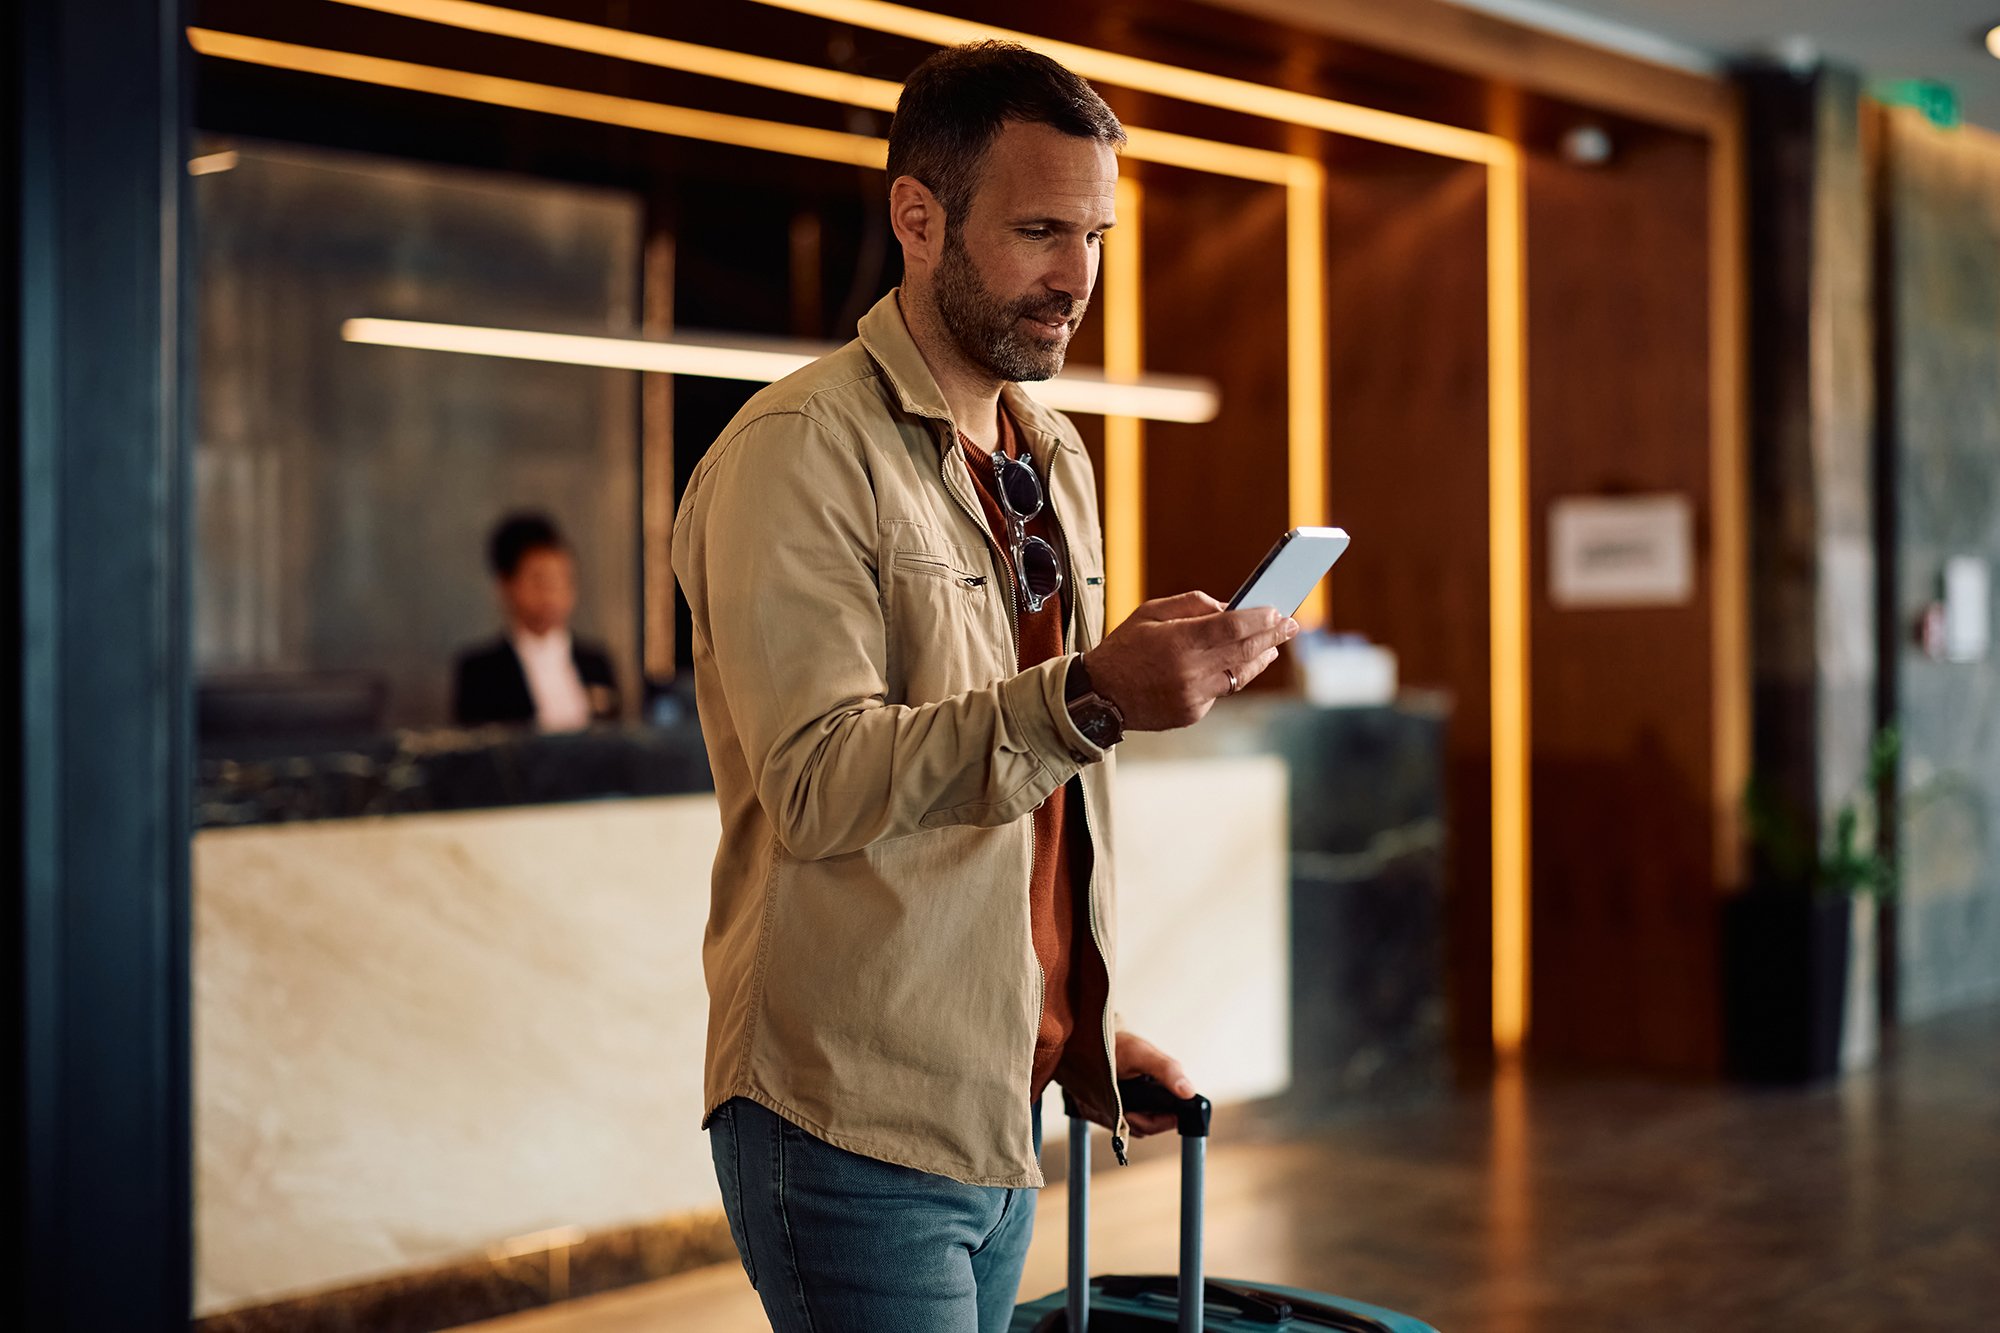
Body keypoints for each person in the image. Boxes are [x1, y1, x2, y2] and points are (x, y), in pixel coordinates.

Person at [672, 41, 1298, 1332]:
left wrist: (1072, 1024)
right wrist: (1090, 693)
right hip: (848, 1121)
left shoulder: (1053, 453)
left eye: (1098, 235)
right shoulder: (798, 453)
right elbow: (819, 783)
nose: (1079, 276)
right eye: (1039, 230)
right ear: (918, 216)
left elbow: (1037, 818)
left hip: (1006, 1104)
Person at [453, 511, 620, 730]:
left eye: (562, 581)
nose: (553, 595)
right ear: (506, 586)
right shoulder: (480, 673)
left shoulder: (596, 663)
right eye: (540, 581)